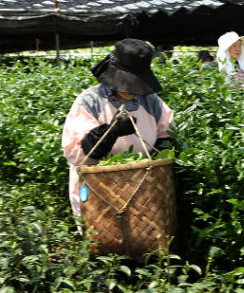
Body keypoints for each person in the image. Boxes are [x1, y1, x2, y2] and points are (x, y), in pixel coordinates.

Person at [61, 39, 174, 220]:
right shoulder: (90, 101)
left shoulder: (152, 102)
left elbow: (166, 134)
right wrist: (112, 131)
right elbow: (77, 151)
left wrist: (150, 165)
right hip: (98, 187)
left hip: (143, 190)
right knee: (101, 237)